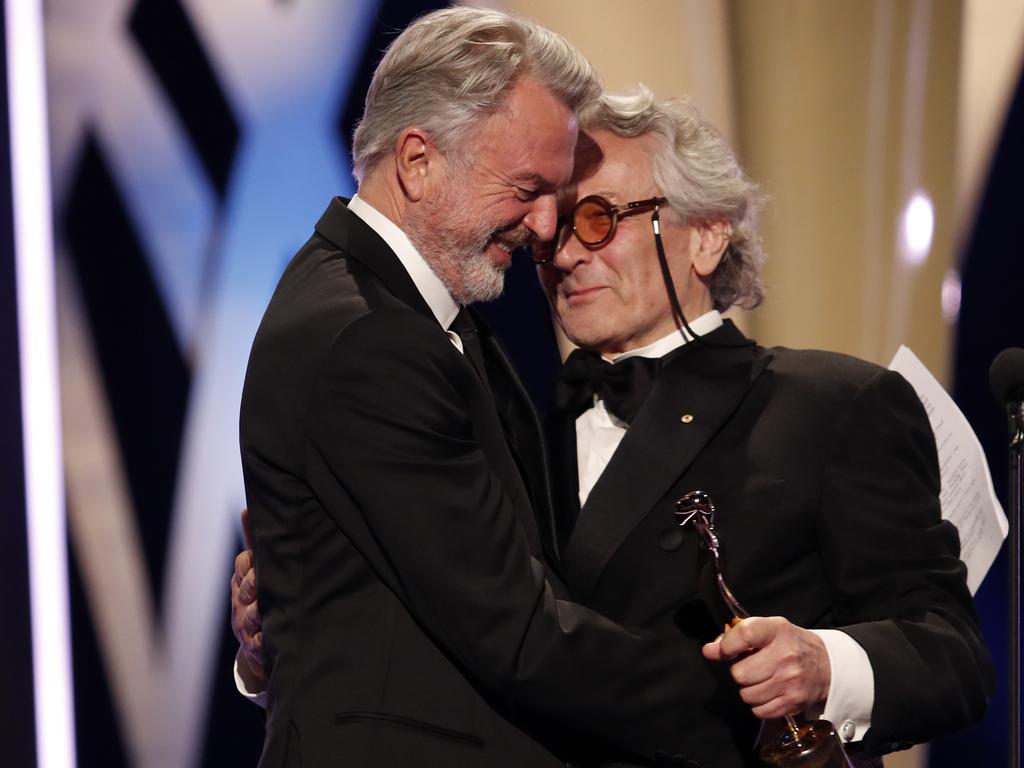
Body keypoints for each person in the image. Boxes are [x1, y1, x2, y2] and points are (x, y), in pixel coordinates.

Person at [236, 60, 993, 764]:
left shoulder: (835, 406)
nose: (560, 251)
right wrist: (301, 616)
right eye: (549, 224)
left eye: (596, 219)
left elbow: (953, 657)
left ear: (706, 234)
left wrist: (827, 667)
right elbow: (477, 625)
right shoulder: (511, 415)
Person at [239, 8, 743, 768]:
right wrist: (751, 717)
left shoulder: (420, 318)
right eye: (528, 188)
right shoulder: (368, 340)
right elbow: (513, 627)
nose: (547, 227)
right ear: (417, 161)